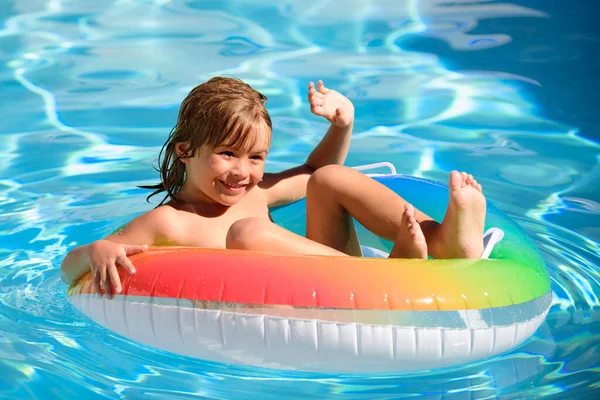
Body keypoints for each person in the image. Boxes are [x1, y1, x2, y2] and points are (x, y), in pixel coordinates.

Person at [60, 77, 486, 297]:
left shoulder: (254, 193)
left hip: (344, 278)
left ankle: (446, 240)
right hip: (316, 301)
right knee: (248, 233)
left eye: (256, 158)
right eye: (227, 153)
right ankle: (392, 270)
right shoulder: (166, 221)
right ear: (186, 151)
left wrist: (344, 124)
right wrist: (94, 251)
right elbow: (72, 269)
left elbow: (314, 171)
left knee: (329, 178)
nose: (242, 172)